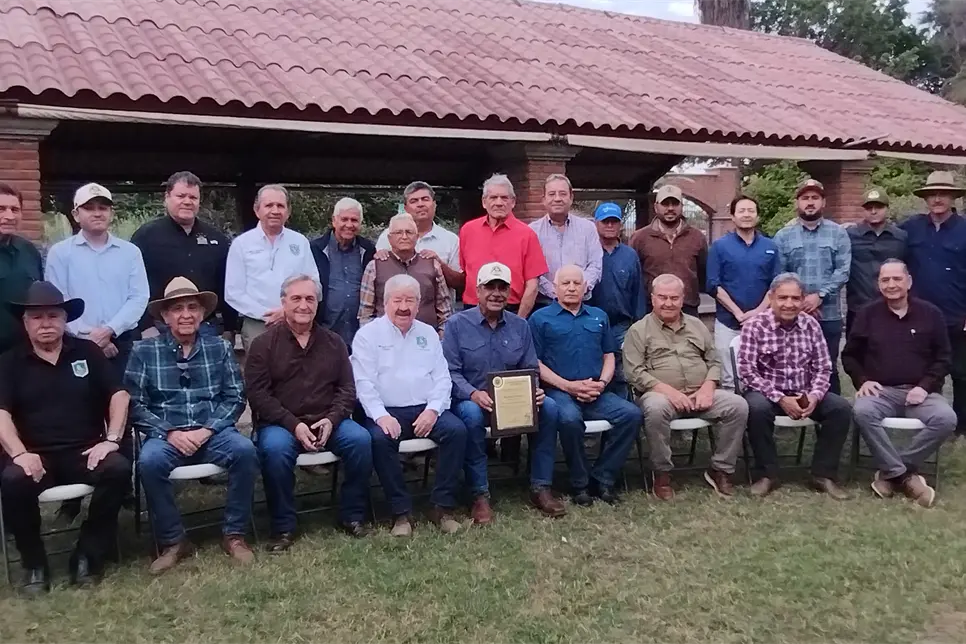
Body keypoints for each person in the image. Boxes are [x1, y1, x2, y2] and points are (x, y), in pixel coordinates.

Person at [0, 282, 130, 594]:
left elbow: (120, 396)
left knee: (119, 469)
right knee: (14, 480)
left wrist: (111, 439)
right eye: (37, 317)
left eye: (53, 315)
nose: (46, 323)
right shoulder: (9, 362)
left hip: (85, 451)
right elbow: (0, 413)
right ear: (25, 323)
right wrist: (19, 454)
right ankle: (34, 564)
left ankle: (88, 554)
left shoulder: (88, 351)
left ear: (64, 320)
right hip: (34, 455)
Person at [126, 277, 256, 573]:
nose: (186, 314)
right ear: (165, 316)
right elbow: (135, 403)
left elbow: (235, 397)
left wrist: (207, 429)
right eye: (177, 308)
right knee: (148, 462)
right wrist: (168, 432)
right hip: (167, 435)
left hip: (212, 432)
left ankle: (234, 535)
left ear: (202, 313)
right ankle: (173, 541)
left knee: (245, 451)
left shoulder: (219, 349)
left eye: (192, 307)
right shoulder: (144, 352)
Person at [246, 274, 373, 549]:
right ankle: (283, 527)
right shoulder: (262, 345)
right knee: (275, 451)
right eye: (296, 299)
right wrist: (293, 425)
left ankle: (351, 515)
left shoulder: (334, 342)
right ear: (283, 303)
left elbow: (347, 389)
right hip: (280, 424)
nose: (303, 305)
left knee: (361, 441)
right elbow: (258, 396)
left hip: (329, 421)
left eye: (309, 299)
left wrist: (333, 418)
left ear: (317, 304)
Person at [442, 262, 567, 523]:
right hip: (472, 401)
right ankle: (479, 495)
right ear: (478, 290)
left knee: (551, 409)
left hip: (512, 402)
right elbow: (450, 373)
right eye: (490, 287)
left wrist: (535, 391)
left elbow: (531, 368)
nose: (497, 294)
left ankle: (540, 486)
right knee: (470, 416)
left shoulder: (520, 326)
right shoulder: (456, 324)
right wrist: (473, 393)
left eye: (502, 288)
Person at [351, 274, 468, 536]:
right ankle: (401, 512)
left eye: (410, 300)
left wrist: (433, 409)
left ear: (418, 304)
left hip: (424, 408)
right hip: (385, 411)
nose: (403, 306)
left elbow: (442, 377)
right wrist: (381, 417)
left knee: (457, 432)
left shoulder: (428, 333)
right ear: (384, 303)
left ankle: (442, 506)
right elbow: (363, 383)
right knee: (380, 441)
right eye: (397, 300)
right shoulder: (367, 336)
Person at [622, 274, 748, 501]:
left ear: (682, 299)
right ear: (652, 299)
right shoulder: (638, 330)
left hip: (701, 394)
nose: (668, 303)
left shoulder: (697, 325)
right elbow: (634, 372)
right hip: (660, 395)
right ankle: (662, 474)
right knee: (656, 409)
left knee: (738, 405)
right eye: (662, 297)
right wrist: (669, 392)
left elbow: (714, 361)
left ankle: (720, 469)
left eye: (674, 298)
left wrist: (709, 386)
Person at [842, 259, 954, 507]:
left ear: (909, 282)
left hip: (921, 393)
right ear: (878, 284)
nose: (891, 285)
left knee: (946, 418)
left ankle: (892, 472)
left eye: (897, 279)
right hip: (881, 392)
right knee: (862, 411)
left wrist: (924, 386)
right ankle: (904, 475)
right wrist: (863, 380)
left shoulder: (931, 314)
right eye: (885, 280)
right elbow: (849, 355)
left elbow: (944, 357)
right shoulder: (867, 314)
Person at [529, 265, 641, 505]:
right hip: (559, 393)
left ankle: (603, 478)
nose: (571, 288)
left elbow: (609, 354)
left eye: (576, 283)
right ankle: (579, 483)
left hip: (595, 392)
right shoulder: (539, 319)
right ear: (554, 289)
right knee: (569, 420)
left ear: (585, 287)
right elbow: (535, 363)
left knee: (631, 415)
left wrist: (601, 383)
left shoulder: (599, 316)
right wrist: (568, 387)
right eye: (565, 283)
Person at [737, 273, 852, 500]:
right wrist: (779, 398)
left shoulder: (811, 325)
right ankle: (767, 474)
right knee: (756, 409)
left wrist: (815, 396)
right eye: (783, 298)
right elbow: (747, 371)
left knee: (840, 408)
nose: (789, 304)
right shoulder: (754, 326)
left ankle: (823, 474)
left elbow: (823, 368)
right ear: (771, 298)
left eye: (795, 298)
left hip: (804, 392)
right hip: (767, 394)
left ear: (802, 300)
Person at [45, 183, 149, 375]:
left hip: (123, 342)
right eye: (89, 208)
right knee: (81, 401)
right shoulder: (60, 253)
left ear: (111, 213)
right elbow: (59, 300)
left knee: (126, 398)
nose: (97, 213)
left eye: (103, 208)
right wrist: (89, 336)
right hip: (76, 341)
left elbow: (139, 297)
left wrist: (109, 330)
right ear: (76, 214)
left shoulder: (130, 253)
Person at [130, 171, 236, 341]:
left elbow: (226, 285)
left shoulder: (216, 238)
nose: (187, 202)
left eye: (193, 197)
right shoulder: (145, 236)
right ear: (167, 197)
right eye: (181, 196)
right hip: (159, 328)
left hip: (206, 327)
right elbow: (133, 286)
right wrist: (145, 326)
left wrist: (230, 328)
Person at [901, 170, 966, 435]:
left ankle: (961, 424)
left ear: (952, 198)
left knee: (961, 372)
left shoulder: (964, 229)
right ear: (926, 199)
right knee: (926, 370)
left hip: (956, 313)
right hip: (920, 314)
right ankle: (931, 419)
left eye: (943, 194)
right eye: (932, 195)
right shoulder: (911, 228)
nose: (937, 199)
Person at [773, 178, 851, 395]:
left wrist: (820, 296)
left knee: (828, 368)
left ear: (823, 202)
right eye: (805, 198)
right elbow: (780, 275)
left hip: (829, 315)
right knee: (796, 367)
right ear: (797, 202)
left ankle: (830, 419)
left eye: (815, 198)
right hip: (792, 316)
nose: (810, 202)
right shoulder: (783, 236)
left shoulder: (838, 233)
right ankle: (797, 411)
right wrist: (801, 301)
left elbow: (843, 270)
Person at [225, 184, 319, 352]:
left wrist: (287, 311)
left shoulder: (300, 242)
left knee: (297, 374)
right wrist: (265, 314)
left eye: (280, 205)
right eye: (269, 205)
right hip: (258, 324)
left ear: (288, 211)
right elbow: (233, 292)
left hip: (296, 322)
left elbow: (314, 283)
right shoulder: (241, 244)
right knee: (259, 375)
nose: (275, 210)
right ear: (257, 210)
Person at [706, 195, 780, 390]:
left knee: (762, 375)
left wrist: (757, 312)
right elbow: (713, 284)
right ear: (733, 217)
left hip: (763, 322)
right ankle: (734, 418)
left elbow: (776, 285)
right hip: (728, 323)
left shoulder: (770, 247)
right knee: (730, 378)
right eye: (741, 211)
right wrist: (738, 313)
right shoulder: (720, 247)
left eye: (751, 211)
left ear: (757, 216)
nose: (746, 215)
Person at [459, 174, 548, 318]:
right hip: (472, 312)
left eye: (504, 198)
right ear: (484, 202)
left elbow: (532, 285)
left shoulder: (527, 235)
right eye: (493, 198)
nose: (499, 203)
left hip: (511, 311)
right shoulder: (468, 231)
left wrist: (519, 320)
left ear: (513, 202)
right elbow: (465, 273)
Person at [588, 202, 646, 398]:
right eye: (605, 221)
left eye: (614, 221)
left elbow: (638, 292)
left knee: (622, 374)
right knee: (596, 371)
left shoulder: (630, 255)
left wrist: (637, 325)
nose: (610, 225)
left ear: (620, 224)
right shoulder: (589, 252)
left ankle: (622, 419)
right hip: (593, 324)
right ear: (596, 223)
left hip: (621, 325)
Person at [359, 213, 451, 330]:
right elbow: (365, 312)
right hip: (385, 342)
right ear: (389, 238)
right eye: (398, 232)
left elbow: (445, 310)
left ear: (417, 237)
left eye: (409, 232)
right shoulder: (374, 266)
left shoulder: (432, 265)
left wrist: (441, 337)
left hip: (425, 341)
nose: (404, 237)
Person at [376, 182, 462, 302]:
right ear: (405, 208)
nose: (420, 204)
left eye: (425, 199)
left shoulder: (451, 240)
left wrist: (439, 265)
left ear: (434, 204)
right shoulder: (388, 236)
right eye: (414, 201)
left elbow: (460, 284)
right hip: (395, 315)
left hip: (435, 317)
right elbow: (376, 278)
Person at [629, 184, 707, 317]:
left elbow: (703, 273)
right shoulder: (640, 238)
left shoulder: (697, 237)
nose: (670, 208)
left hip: (688, 309)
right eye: (665, 204)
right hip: (652, 310)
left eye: (675, 203)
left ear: (682, 206)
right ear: (656, 207)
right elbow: (633, 275)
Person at [310, 198, 376, 348]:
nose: (349, 225)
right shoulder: (316, 250)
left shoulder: (368, 250)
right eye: (344, 219)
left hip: (359, 336)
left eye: (354, 220)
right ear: (334, 221)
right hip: (324, 334)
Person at [529, 174, 603, 308]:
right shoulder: (532, 231)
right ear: (544, 200)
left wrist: (578, 290)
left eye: (562, 194)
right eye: (552, 194)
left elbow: (595, 266)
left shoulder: (588, 228)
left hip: (583, 304)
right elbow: (533, 272)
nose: (557, 199)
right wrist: (557, 292)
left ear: (571, 198)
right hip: (545, 304)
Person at [846, 188, 906, 336]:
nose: (873, 211)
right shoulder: (850, 236)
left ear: (887, 209)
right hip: (859, 307)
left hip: (891, 307)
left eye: (878, 207)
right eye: (869, 208)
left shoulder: (901, 237)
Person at [0, 182, 42, 353]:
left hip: (24, 353)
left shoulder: (29, 251)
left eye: (15, 209)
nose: (9, 216)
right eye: (1, 209)